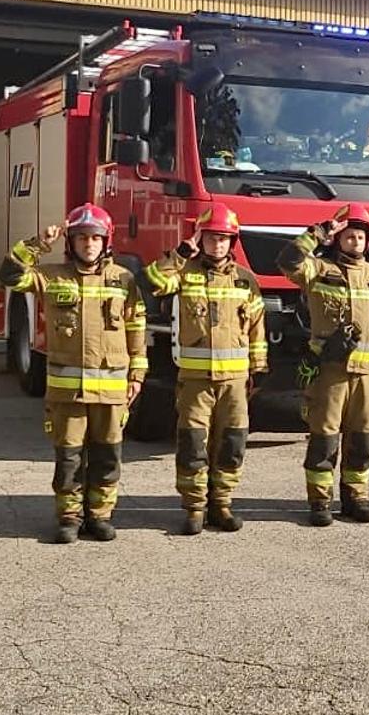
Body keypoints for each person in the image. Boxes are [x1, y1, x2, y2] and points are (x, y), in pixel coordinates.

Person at [0, 204, 147, 543]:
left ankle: (99, 516)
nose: (89, 245)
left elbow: (136, 329)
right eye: (82, 238)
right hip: (67, 393)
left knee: (107, 455)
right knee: (69, 457)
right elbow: (8, 274)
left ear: (106, 241)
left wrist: (137, 375)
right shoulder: (51, 277)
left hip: (112, 391)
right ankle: (69, 517)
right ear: (72, 242)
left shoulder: (123, 280)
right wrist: (38, 243)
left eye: (95, 238)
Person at [143, 203, 266, 535]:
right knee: (193, 444)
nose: (218, 246)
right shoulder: (184, 272)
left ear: (232, 242)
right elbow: (153, 281)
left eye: (224, 239)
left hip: (236, 382)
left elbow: (257, 328)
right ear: (202, 239)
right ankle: (194, 508)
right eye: (211, 239)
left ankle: (222, 504)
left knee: (231, 443)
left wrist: (258, 369)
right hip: (195, 381)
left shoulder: (245, 281)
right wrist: (183, 251)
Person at [279, 203, 369, 526]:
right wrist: (317, 234)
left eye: (360, 237)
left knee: (362, 438)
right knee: (325, 436)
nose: (354, 242)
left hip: (368, 375)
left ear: (367, 242)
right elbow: (286, 261)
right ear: (339, 239)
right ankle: (320, 502)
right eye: (348, 236)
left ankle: (355, 498)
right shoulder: (318, 270)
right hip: (329, 372)